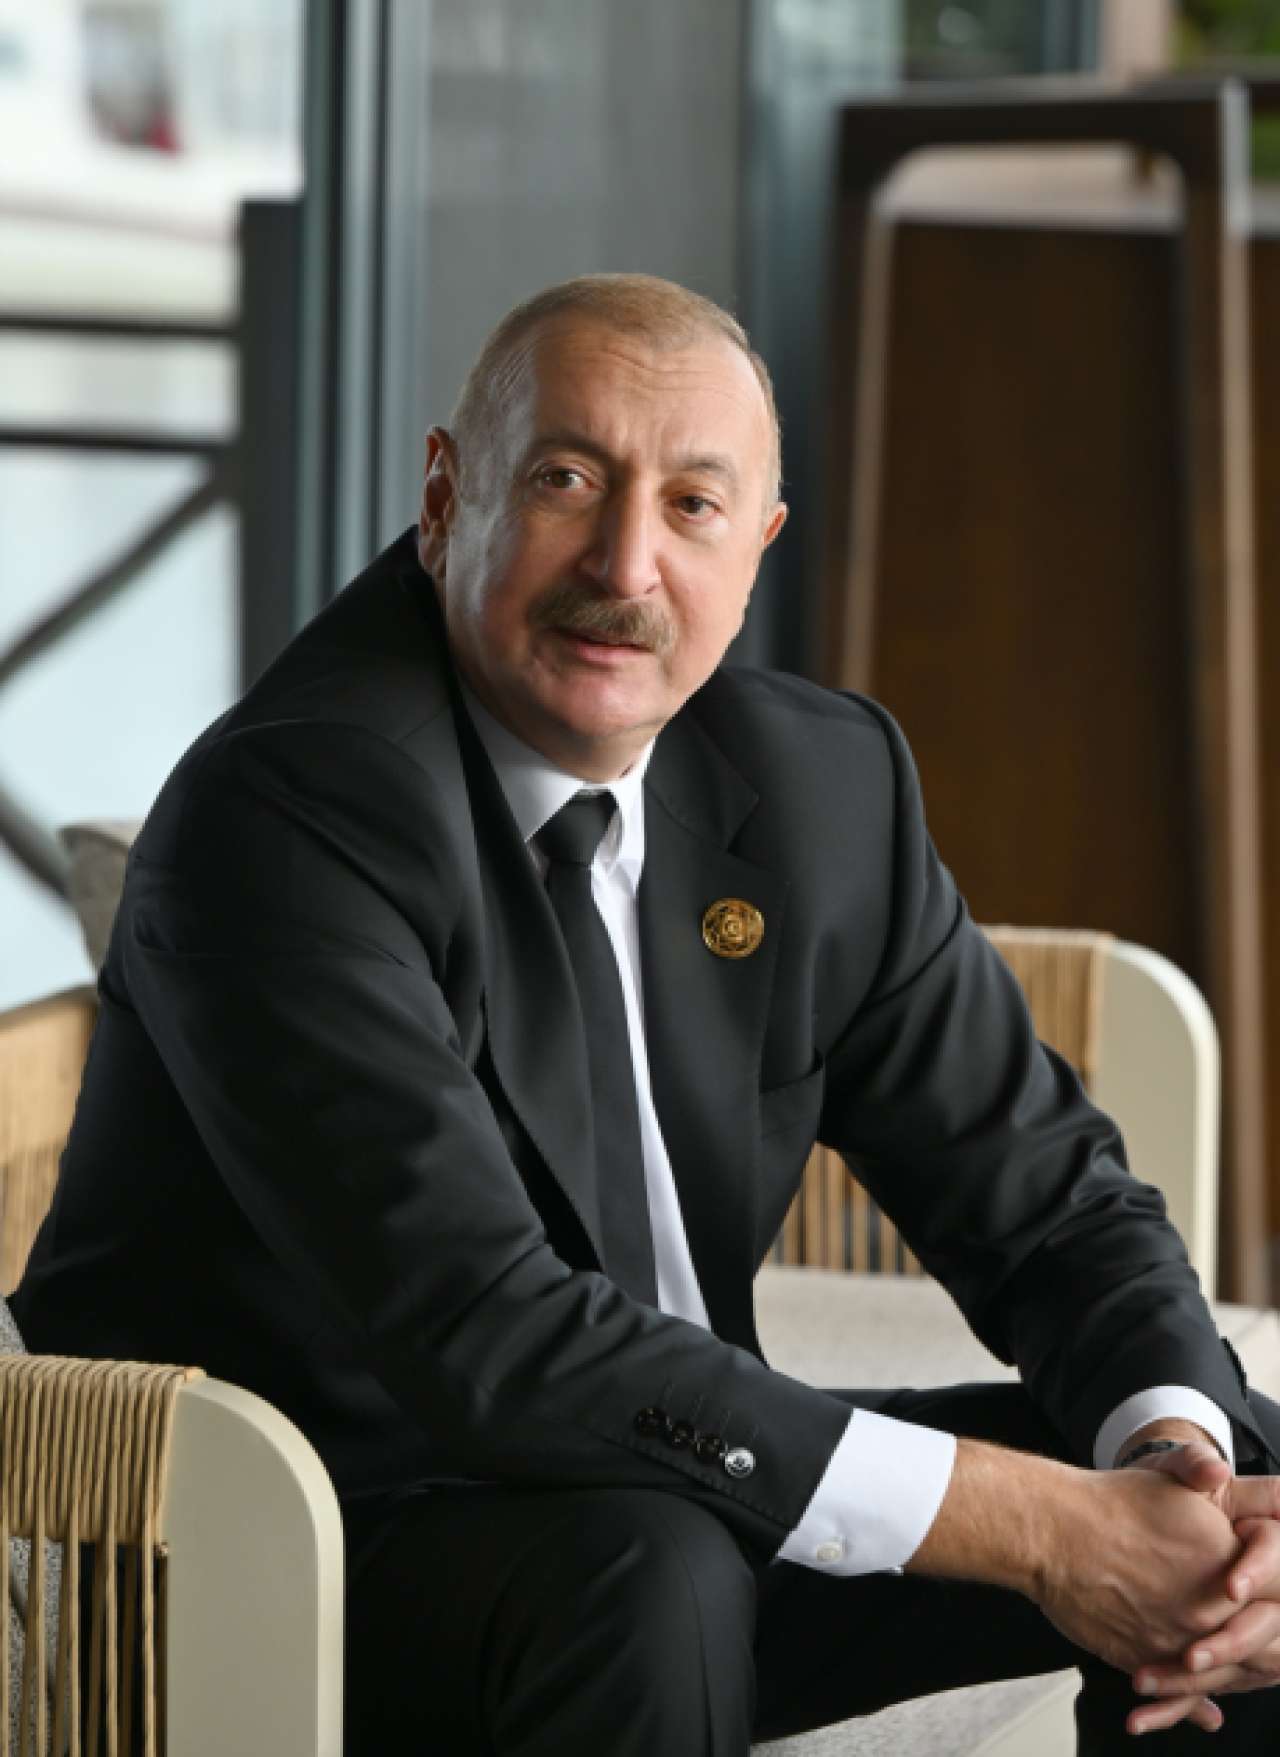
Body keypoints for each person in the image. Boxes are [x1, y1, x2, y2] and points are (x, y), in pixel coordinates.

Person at [14, 273, 1280, 1755]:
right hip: (286, 1549)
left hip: (671, 1492)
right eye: (566, 479)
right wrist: (1050, 1532)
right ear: (446, 496)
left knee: (1241, 1498)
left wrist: (1172, 1464)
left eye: (693, 504)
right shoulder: (293, 812)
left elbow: (1048, 1201)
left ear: (759, 546)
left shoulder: (821, 786)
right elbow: (491, 1335)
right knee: (656, 1566)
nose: (626, 562)